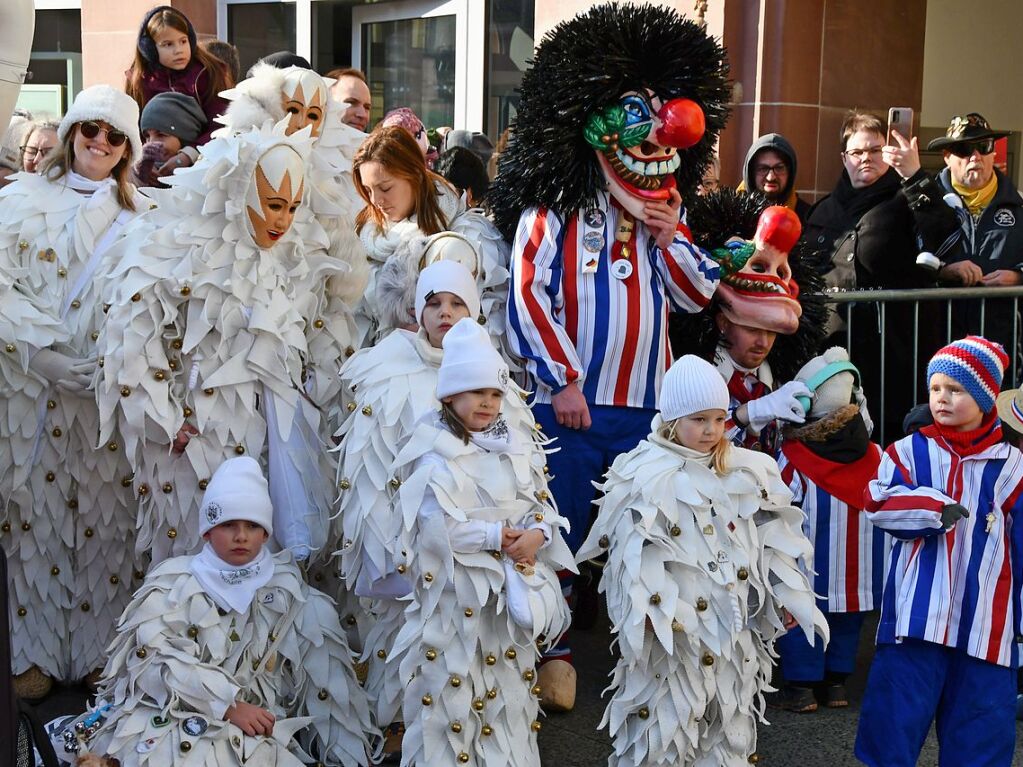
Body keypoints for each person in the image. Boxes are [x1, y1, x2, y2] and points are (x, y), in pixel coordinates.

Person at [486, 3, 728, 710]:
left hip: (644, 412)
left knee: (641, 533)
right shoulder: (550, 209)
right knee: (555, 524)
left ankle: (641, 644)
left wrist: (669, 233)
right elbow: (529, 297)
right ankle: (551, 649)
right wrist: (562, 379)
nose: (654, 139)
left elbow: (693, 296)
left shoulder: (661, 211)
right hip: (570, 405)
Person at [94, 122, 343, 568]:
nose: (283, 221)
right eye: (273, 205)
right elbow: (132, 338)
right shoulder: (176, 248)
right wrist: (167, 423)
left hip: (263, 445)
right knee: (194, 559)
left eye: (292, 208)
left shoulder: (281, 262)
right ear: (241, 192)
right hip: (194, 450)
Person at [577, 354, 827, 766]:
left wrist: (786, 594)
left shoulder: (749, 470)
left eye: (718, 419)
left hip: (733, 633)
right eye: (698, 420)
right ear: (673, 419)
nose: (711, 430)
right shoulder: (643, 472)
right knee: (664, 727)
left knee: (728, 723)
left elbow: (775, 537)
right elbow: (631, 558)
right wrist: (653, 618)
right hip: (673, 638)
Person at [69, 457, 376, 766]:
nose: (241, 536)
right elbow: (152, 660)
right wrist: (227, 705)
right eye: (228, 525)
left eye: (253, 525)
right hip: (174, 716)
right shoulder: (173, 584)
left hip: (253, 734)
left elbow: (330, 695)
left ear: (266, 534)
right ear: (207, 531)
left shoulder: (295, 597)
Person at [0, 85, 146, 699]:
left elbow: (154, 307)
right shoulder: (17, 201)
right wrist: (41, 355)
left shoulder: (146, 219)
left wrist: (117, 365)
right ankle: (31, 653)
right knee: (32, 519)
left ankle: (97, 649)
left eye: (115, 136)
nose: (100, 143)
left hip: (103, 396)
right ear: (70, 132)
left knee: (104, 521)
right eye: (91, 129)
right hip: (32, 389)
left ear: (128, 150)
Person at [389, 317, 573, 767]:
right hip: (456, 601)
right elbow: (433, 526)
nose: (489, 404)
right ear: (450, 395)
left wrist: (539, 533)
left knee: (506, 692)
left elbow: (539, 503)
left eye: (495, 394)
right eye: (477, 393)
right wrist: (494, 534)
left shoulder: (514, 447)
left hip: (506, 605)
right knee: (454, 693)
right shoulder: (432, 453)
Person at [856, 336, 1023, 767]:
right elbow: (878, 503)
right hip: (916, 619)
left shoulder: (1012, 465)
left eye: (957, 390)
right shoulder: (909, 452)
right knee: (892, 725)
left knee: (981, 731)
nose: (942, 399)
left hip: (988, 622)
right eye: (935, 389)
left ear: (985, 397)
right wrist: (934, 508)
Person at [804, 111, 960, 440]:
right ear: (844, 157)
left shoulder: (906, 200)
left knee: (886, 439)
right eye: (857, 152)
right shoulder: (823, 209)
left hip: (890, 352)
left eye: (875, 150)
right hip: (831, 350)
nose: (866, 159)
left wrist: (915, 174)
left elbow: (946, 236)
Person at [774, 348, 886, 713]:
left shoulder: (795, 459)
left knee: (803, 619)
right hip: (859, 572)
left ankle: (802, 686)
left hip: (810, 567)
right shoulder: (877, 456)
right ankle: (836, 683)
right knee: (848, 622)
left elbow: (777, 503)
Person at [353, 125, 509, 349]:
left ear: (415, 175)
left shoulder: (466, 234)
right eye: (367, 190)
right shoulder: (364, 236)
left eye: (385, 188)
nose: (376, 200)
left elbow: (491, 322)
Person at [930, 113, 1023, 364]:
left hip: (1000, 348)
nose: (975, 157)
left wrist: (1017, 277)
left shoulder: (1019, 206)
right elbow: (904, 262)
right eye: (963, 149)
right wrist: (944, 271)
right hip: (938, 344)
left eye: (984, 147)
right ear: (947, 157)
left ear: (994, 153)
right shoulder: (924, 205)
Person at [124, 5, 233, 152]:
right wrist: (145, 158)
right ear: (150, 49)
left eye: (183, 41)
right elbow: (131, 130)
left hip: (203, 158)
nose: (178, 50)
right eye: (168, 44)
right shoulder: (139, 81)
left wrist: (189, 154)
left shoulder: (208, 73)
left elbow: (221, 125)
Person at [134, 92, 206, 188]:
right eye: (147, 136)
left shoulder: (204, 175)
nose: (151, 143)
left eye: (161, 134)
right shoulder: (143, 169)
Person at [738, 133, 812, 223]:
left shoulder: (808, 218)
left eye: (779, 168)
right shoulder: (732, 215)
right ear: (750, 173)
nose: (771, 177)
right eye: (763, 168)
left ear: (790, 172)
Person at [326, 66, 372, 133]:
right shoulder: (306, 142)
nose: (363, 115)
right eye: (351, 102)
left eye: (367, 107)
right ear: (325, 104)